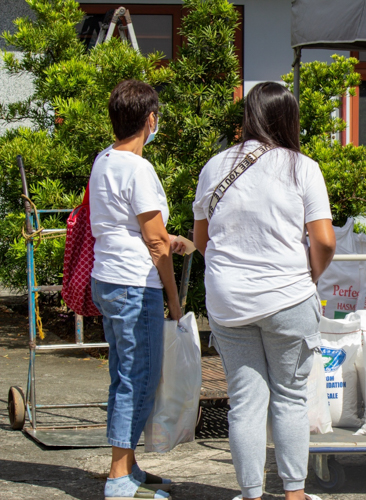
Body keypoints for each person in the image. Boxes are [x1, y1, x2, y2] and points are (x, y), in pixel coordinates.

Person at [192, 82, 335, 500]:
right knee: (290, 397)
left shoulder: (214, 167)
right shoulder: (301, 167)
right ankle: (294, 493)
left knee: (245, 401)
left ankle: (251, 494)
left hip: (228, 301)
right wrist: (310, 274)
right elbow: (324, 241)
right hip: (288, 296)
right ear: (288, 118)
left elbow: (203, 239)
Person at [90, 79, 183, 500]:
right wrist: (175, 300)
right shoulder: (138, 168)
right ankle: (117, 478)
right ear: (150, 120)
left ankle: (128, 465)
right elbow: (155, 242)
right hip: (133, 283)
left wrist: (168, 239)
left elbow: (134, 227)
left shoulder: (104, 160)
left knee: (123, 375)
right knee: (137, 378)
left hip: (107, 277)